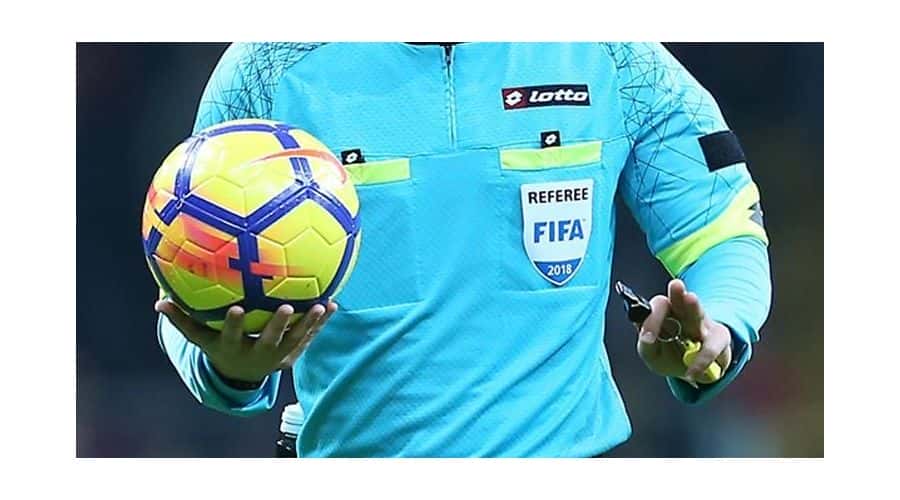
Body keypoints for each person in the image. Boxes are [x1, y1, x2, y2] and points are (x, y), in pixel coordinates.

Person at [154, 42, 772, 457]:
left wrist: (718, 326)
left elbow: (723, 226)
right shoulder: (269, 66)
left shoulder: (613, 53)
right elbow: (182, 271)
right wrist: (230, 368)